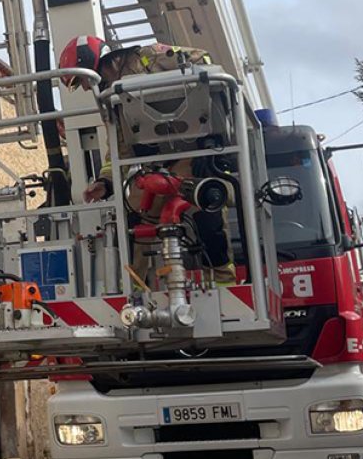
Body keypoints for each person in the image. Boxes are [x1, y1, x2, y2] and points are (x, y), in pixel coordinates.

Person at [58, 35, 236, 285]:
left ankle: (224, 282)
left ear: (96, 63)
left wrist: (214, 143)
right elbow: (120, 148)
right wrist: (105, 183)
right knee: (135, 221)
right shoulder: (112, 98)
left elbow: (204, 61)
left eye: (84, 80)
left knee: (206, 211)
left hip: (193, 152)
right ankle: (135, 290)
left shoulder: (150, 57)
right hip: (155, 164)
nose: (87, 88)